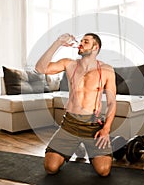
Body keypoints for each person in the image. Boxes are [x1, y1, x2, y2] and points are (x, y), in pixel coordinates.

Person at [35, 33, 117, 177]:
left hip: (93, 126)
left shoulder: (107, 70)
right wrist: (58, 43)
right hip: (70, 124)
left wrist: (106, 129)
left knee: (103, 171)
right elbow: (40, 68)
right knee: (51, 168)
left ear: (95, 47)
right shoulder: (70, 64)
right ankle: (76, 144)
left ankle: (85, 145)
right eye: (81, 41)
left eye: (86, 42)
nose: (81, 44)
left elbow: (111, 103)